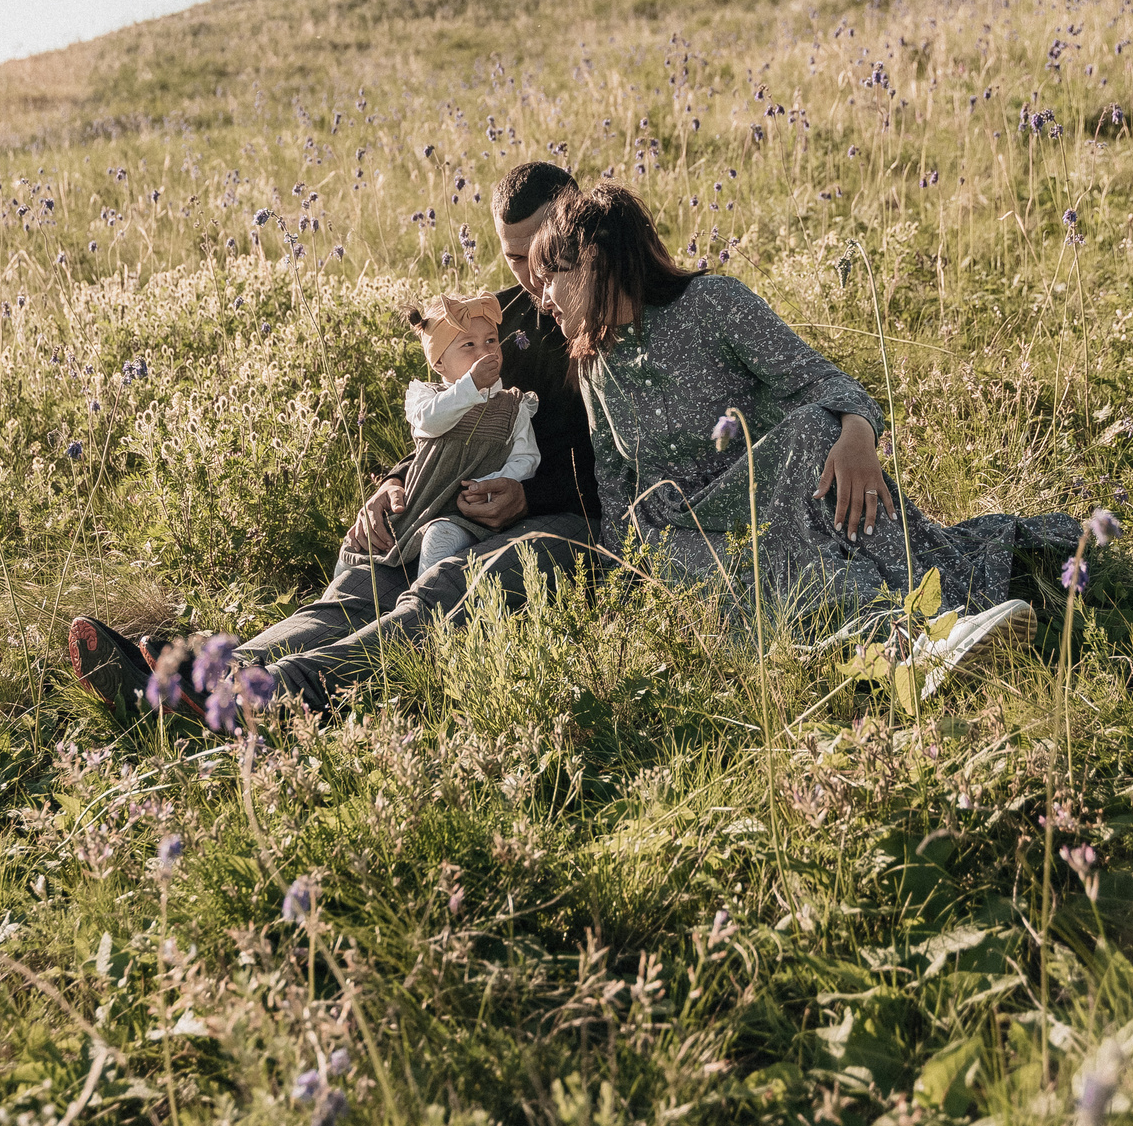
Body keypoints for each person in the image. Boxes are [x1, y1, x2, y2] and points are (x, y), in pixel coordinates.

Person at [68, 160, 601, 717]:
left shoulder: (609, 321)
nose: (533, 277)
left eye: (542, 254)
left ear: (577, 227)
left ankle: (270, 694)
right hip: (458, 501)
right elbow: (449, 423)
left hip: (565, 519)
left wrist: (530, 497)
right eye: (515, 258)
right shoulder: (494, 322)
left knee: (444, 584)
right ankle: (194, 681)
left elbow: (625, 467)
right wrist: (394, 483)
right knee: (366, 580)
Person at [530, 182, 1074, 610]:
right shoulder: (593, 362)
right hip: (683, 535)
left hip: (771, 499)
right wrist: (624, 585)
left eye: (550, 276)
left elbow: (825, 382)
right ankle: (898, 635)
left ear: (593, 259)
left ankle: (930, 620)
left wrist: (858, 436)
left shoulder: (712, 303)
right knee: (765, 586)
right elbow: (615, 484)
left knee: (818, 428)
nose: (542, 299)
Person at [391, 292, 541, 575]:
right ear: (439, 363)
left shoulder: (513, 405)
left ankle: (425, 598)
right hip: (420, 505)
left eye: (491, 340)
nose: (485, 352)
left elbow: (526, 457)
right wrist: (470, 386)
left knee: (441, 538)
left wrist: (489, 485)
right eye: (468, 344)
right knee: (359, 550)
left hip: (469, 513)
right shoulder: (427, 397)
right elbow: (431, 422)